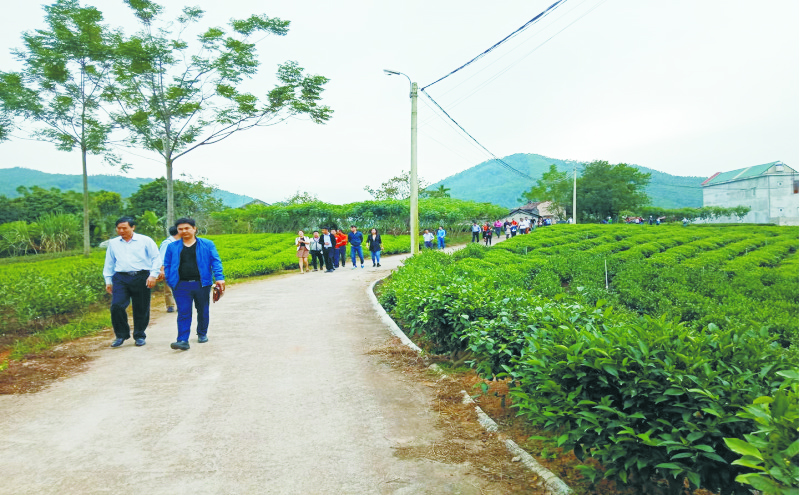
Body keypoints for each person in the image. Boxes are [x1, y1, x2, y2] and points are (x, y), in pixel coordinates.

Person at [163, 218, 225, 351]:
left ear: (194, 229)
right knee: (183, 312)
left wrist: (219, 278)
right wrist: (170, 279)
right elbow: (167, 265)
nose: (184, 231)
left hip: (201, 284)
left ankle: (202, 333)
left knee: (202, 310)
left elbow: (216, 261)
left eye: (187, 228)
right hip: (180, 285)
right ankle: (182, 340)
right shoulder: (172, 247)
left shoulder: (207, 244)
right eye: (180, 229)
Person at [103, 216, 161, 348]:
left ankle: (139, 335)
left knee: (141, 307)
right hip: (121, 277)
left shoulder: (145, 240)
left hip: (141, 276)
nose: (121, 230)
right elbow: (109, 262)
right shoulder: (113, 243)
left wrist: (153, 275)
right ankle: (121, 335)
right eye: (119, 228)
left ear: (132, 227)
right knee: (116, 306)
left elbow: (156, 258)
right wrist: (108, 280)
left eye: (125, 228)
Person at [158, 225, 180, 313]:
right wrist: (162, 270)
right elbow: (162, 258)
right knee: (169, 288)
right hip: (169, 268)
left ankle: (180, 305)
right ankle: (170, 305)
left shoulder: (179, 242)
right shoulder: (167, 243)